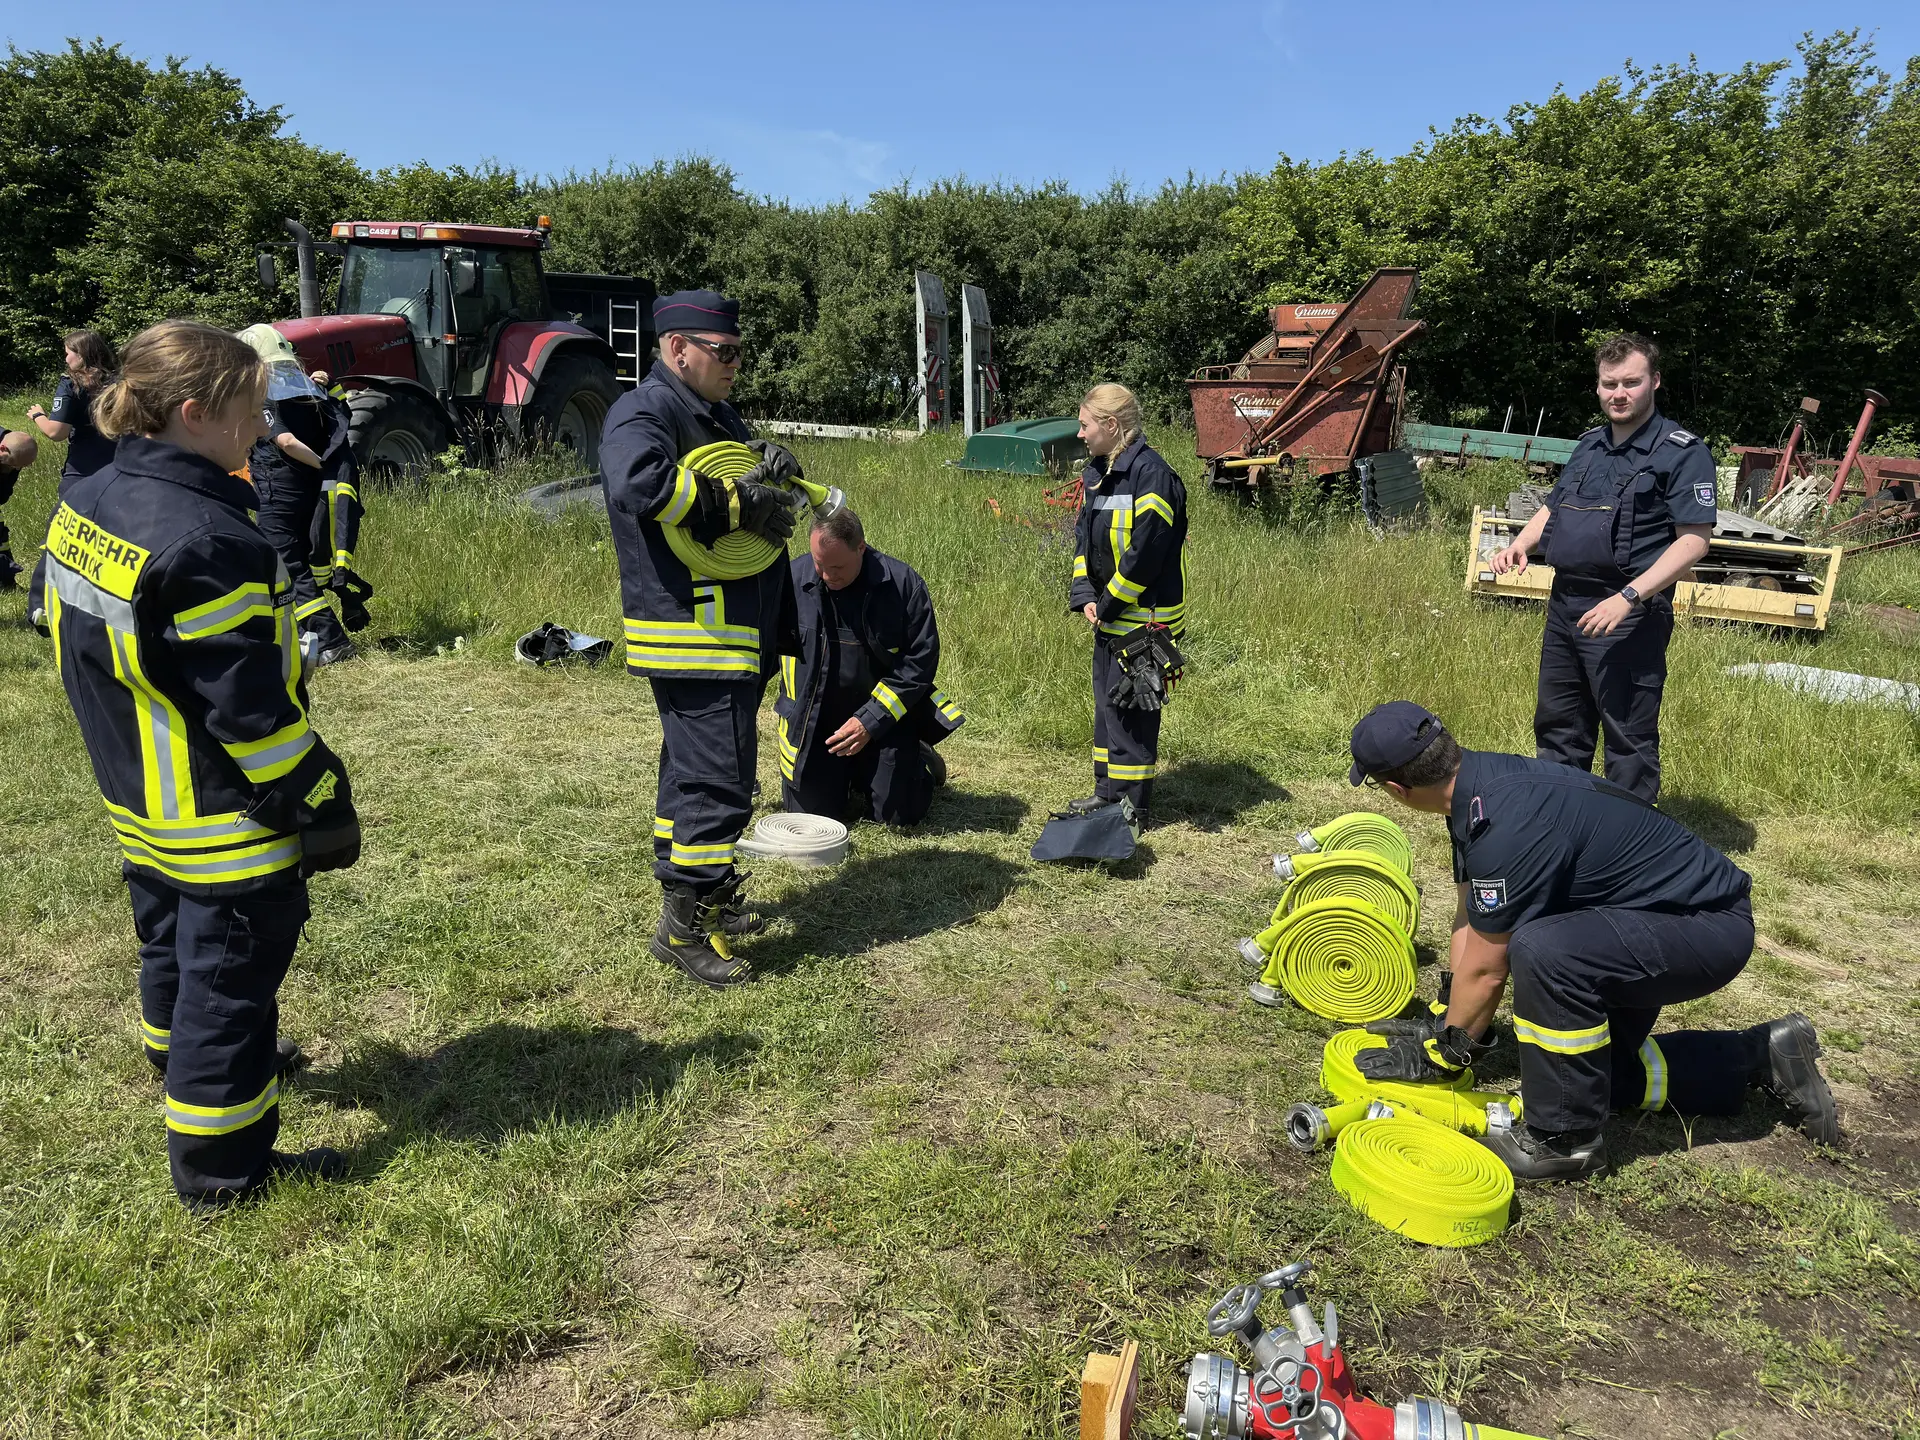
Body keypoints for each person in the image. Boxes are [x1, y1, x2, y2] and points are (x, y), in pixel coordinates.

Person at [42, 319, 361, 1211]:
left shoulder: (90, 498)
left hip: (134, 786)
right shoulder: (208, 539)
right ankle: (224, 1171)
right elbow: (250, 713)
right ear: (193, 412)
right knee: (230, 980)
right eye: (253, 412)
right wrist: (317, 786)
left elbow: (60, 627)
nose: (263, 430)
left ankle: (169, 1056)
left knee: (169, 944)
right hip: (220, 810)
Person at [1345, 700, 1840, 1181]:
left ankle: (1566, 1142)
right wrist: (1443, 1018)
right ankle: (1762, 1055)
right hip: (1650, 915)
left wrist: (1446, 1056)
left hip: (1703, 924)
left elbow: (1489, 966)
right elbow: (1471, 917)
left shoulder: (1501, 824)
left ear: (1396, 788)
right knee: (1579, 1080)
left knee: (1542, 950)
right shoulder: (1479, 789)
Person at [599, 290, 802, 988]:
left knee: (690, 773)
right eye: (725, 352)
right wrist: (739, 500)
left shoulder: (712, 414)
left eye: (740, 352)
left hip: (728, 634)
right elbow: (637, 481)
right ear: (677, 347)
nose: (737, 365)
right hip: (696, 637)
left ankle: (702, 893)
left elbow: (732, 476)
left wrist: (768, 466)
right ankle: (684, 930)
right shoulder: (644, 412)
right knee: (719, 779)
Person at [1488, 334, 1716, 803]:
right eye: (1609, 384)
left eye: (1631, 383)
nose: (1619, 393)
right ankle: (1561, 823)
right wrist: (1521, 544)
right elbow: (1555, 508)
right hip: (1566, 603)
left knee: (1627, 734)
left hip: (1628, 610)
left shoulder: (1682, 451)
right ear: (1597, 387)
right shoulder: (1589, 445)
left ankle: (1628, 843)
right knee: (1559, 726)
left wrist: (1629, 597)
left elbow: (1694, 541)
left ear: (1654, 381)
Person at [776, 507, 962, 825]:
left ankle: (920, 760)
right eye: (819, 564)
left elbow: (918, 664)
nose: (825, 576)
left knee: (897, 816)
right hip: (815, 723)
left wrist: (869, 722)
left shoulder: (902, 586)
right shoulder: (792, 580)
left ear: (861, 547)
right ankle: (845, 778)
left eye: (836, 567)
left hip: (883, 724)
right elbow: (768, 648)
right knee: (813, 818)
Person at [1066, 382, 1188, 829]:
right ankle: (1107, 793)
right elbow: (1084, 538)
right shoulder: (1098, 472)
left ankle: (1133, 808)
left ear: (1111, 425)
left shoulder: (1154, 476)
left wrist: (1109, 602)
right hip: (1108, 613)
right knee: (1107, 706)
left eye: (1085, 425)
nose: (1080, 434)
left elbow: (1147, 552)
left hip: (1142, 619)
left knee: (1133, 711)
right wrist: (1084, 596)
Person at [236, 325, 355, 666]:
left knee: (287, 566)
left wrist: (319, 464)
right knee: (303, 560)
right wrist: (325, 470)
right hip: (311, 492)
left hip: (278, 492)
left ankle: (331, 639)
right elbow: (340, 419)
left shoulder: (265, 393)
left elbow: (285, 441)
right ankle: (299, 631)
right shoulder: (311, 388)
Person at [24, 330, 118, 612]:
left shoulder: (71, 385)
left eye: (68, 352)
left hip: (82, 472)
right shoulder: (119, 382)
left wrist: (38, 415)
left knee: (62, 534)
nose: (65, 358)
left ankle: (42, 604)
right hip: (118, 468)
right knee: (111, 536)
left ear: (82, 354)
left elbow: (56, 432)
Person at [304, 370, 372, 634]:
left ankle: (329, 624)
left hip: (324, 483)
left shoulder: (340, 458)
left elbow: (344, 516)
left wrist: (330, 385)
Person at [0, 428, 39, 588]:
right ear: (2, 448)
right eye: (13, 465)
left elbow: (3, 493)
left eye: (19, 467)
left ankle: (6, 582)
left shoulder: (15, 456)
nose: (15, 469)